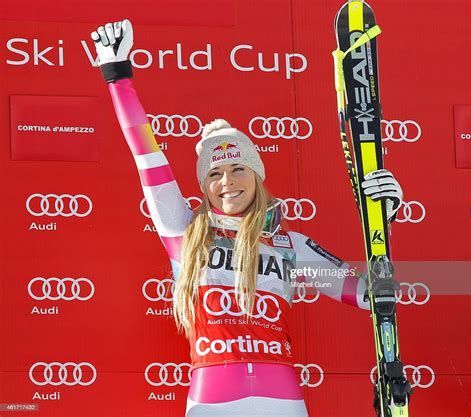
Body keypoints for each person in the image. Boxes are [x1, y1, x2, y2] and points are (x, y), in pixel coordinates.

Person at [90, 20, 403, 417]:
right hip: (211, 399)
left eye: (238, 169)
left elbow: (370, 296)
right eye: (215, 174)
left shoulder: (290, 246)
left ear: (256, 175)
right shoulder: (183, 230)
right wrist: (117, 77)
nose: (227, 182)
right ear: (205, 185)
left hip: (281, 398)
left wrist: (383, 222)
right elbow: (146, 156)